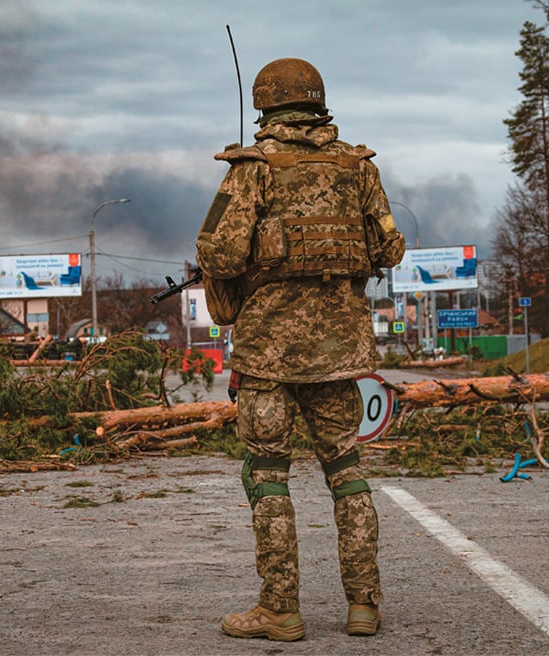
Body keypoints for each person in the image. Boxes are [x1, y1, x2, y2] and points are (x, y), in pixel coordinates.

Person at [195, 57, 406, 642]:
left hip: (267, 351)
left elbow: (220, 254)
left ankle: (280, 609)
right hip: (341, 348)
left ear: (265, 104)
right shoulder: (359, 168)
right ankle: (363, 604)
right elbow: (389, 249)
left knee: (268, 475)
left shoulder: (253, 168)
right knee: (346, 470)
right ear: (318, 102)